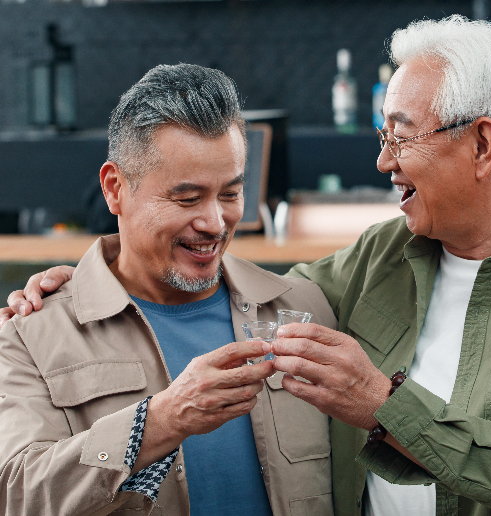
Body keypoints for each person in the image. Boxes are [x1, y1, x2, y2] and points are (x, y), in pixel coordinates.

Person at [3, 16, 491, 516]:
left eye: (401, 137)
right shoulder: (379, 259)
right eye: (383, 136)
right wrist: (81, 282)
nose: (384, 162)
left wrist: (385, 406)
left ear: (483, 144)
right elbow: (225, 281)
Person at [0, 64, 336, 516]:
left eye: (232, 194)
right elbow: (18, 495)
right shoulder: (26, 335)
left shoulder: (306, 305)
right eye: (187, 199)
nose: (215, 223)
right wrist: (161, 420)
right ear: (115, 189)